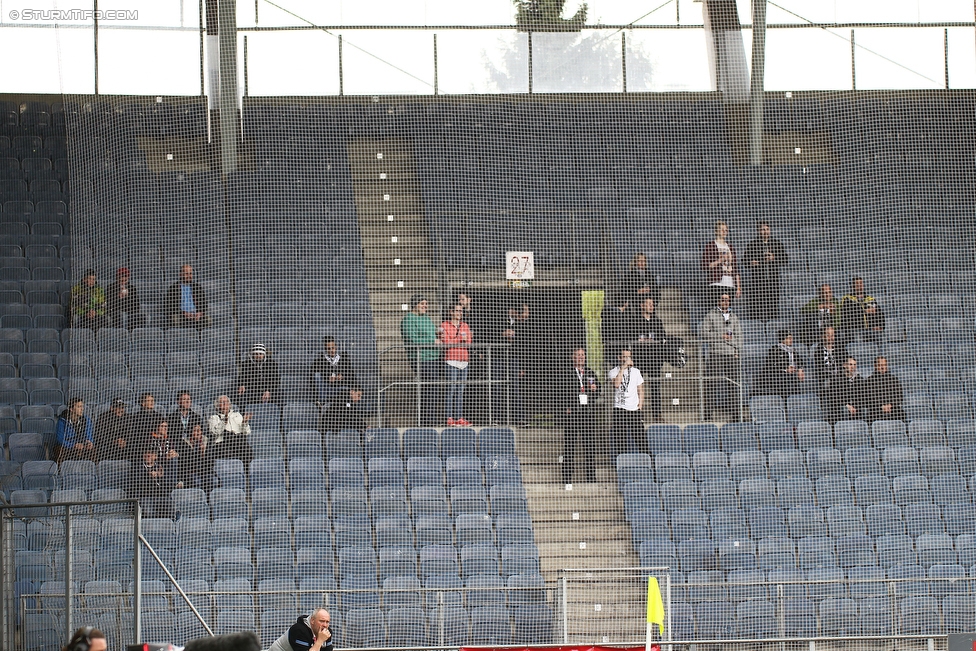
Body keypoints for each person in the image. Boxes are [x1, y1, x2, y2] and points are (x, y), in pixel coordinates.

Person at [560, 348, 601, 484]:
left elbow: (598, 389)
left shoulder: (589, 372)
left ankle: (591, 478)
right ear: (572, 357)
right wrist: (565, 407)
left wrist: (596, 389)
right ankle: (567, 479)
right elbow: (560, 391)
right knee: (569, 447)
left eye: (582, 355)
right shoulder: (566, 373)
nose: (581, 357)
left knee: (589, 446)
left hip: (587, 414)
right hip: (572, 414)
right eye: (578, 355)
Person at [700, 293, 744, 420]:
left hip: (731, 355)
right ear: (718, 301)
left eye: (728, 300)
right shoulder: (710, 315)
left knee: (733, 385)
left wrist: (731, 343)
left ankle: (735, 416)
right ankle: (708, 416)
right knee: (711, 384)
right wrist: (721, 336)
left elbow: (739, 338)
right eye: (723, 300)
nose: (725, 302)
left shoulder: (734, 317)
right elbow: (704, 333)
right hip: (716, 354)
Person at [400, 294, 441, 426]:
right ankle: (424, 421)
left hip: (434, 357)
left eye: (426, 303)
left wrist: (438, 333)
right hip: (421, 358)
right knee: (427, 389)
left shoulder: (427, 318)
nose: (425, 306)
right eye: (422, 303)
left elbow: (433, 333)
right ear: (415, 304)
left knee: (433, 389)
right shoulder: (408, 319)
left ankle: (432, 420)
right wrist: (432, 340)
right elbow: (412, 339)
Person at [493, 302, 530, 426]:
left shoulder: (523, 325)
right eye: (524, 312)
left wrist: (523, 366)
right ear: (514, 311)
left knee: (515, 388)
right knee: (496, 388)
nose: (526, 316)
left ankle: (519, 418)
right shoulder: (498, 318)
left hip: (514, 359)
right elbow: (488, 334)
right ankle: (496, 418)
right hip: (498, 358)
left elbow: (525, 346)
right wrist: (502, 334)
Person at [631, 297, 667, 423]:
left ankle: (657, 414)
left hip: (654, 359)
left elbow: (663, 338)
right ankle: (638, 413)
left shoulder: (657, 321)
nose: (652, 306)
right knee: (638, 388)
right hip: (640, 359)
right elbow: (632, 338)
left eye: (653, 304)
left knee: (655, 387)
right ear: (642, 305)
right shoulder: (635, 321)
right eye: (649, 304)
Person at [744, 220, 788, 322]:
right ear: (758, 231)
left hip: (773, 280)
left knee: (772, 303)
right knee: (757, 303)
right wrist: (752, 262)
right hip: (758, 281)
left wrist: (774, 258)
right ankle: (756, 324)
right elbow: (745, 261)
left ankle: (772, 323)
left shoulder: (776, 243)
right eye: (763, 229)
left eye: (767, 229)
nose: (765, 231)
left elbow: (785, 259)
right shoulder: (752, 244)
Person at [607, 348, 645, 456]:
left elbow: (640, 389)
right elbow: (616, 384)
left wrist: (640, 405)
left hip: (634, 409)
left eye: (629, 357)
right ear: (619, 358)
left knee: (641, 440)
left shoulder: (636, 371)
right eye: (625, 356)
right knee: (620, 441)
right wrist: (623, 368)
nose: (627, 359)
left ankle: (648, 464)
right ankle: (622, 466)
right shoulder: (613, 371)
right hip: (620, 409)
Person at [441, 303, 473, 427]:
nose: (460, 313)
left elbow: (469, 341)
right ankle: (449, 418)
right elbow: (445, 341)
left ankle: (459, 417)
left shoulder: (465, 325)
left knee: (460, 391)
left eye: (461, 311)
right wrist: (459, 339)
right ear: (451, 312)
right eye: (457, 311)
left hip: (464, 361)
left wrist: (459, 340)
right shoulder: (444, 325)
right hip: (451, 360)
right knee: (451, 389)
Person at [755, 330, 806, 400]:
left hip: (792, 374)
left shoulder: (793, 350)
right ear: (783, 339)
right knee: (786, 381)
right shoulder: (775, 349)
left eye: (791, 338)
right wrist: (785, 369)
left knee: (795, 380)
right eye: (788, 338)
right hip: (778, 376)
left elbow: (800, 361)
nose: (791, 340)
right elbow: (770, 365)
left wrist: (800, 369)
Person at [128, 444, 175, 518]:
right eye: (146, 453)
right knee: (148, 512)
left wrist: (161, 477)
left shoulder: (161, 466)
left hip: (161, 495)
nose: (148, 454)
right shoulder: (137, 467)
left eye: (151, 453)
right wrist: (148, 477)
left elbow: (170, 483)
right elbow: (136, 483)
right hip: (145, 496)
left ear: (156, 456)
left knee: (169, 506)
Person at [310, 336, 357, 408]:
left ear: (336, 347)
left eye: (333, 348)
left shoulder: (344, 358)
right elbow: (313, 371)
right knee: (317, 375)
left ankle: (348, 406)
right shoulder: (320, 360)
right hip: (327, 389)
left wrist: (343, 376)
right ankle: (321, 403)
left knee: (348, 387)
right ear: (325, 349)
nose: (332, 350)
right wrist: (326, 377)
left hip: (341, 387)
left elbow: (351, 374)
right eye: (329, 349)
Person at [701, 221, 741, 305]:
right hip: (716, 282)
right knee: (716, 307)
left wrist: (738, 287)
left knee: (728, 309)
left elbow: (736, 268)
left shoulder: (730, 247)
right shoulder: (710, 246)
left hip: (730, 283)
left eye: (726, 230)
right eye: (722, 230)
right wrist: (720, 260)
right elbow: (704, 266)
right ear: (716, 231)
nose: (724, 232)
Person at [840, 277, 885, 346]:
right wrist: (864, 311)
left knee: (879, 336)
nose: (859, 285)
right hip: (854, 330)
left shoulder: (870, 299)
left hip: (870, 330)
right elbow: (848, 313)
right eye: (857, 283)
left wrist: (880, 325)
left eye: (861, 283)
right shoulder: (847, 298)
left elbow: (879, 312)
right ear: (852, 286)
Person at [208, 395, 252, 463]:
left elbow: (247, 432)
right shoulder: (214, 418)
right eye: (222, 402)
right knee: (229, 434)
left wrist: (244, 422)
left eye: (227, 402)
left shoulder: (237, 415)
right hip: (222, 445)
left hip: (239, 443)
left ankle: (247, 471)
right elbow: (215, 433)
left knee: (246, 448)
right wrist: (223, 422)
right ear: (217, 405)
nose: (225, 404)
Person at [164, 263, 209, 329]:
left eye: (190, 273)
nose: (189, 276)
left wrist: (199, 313)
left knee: (208, 320)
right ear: (180, 274)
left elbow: (204, 304)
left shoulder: (197, 287)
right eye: (186, 274)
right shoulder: (173, 288)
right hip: (181, 315)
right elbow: (168, 306)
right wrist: (184, 313)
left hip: (196, 315)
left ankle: (201, 338)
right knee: (175, 319)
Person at [267, 607, 333, 651]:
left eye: (327, 622)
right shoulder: (300, 630)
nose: (325, 625)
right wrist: (320, 640)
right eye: (321, 621)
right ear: (312, 620)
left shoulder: (327, 632)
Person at [864, 356, 906, 422]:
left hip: (892, 407)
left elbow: (899, 396)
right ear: (875, 366)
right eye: (880, 365)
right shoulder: (869, 381)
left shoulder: (893, 379)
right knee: (870, 415)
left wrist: (890, 405)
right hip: (876, 409)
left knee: (901, 414)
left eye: (884, 365)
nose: (882, 367)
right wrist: (880, 406)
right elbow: (867, 398)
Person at [54, 397, 95, 464]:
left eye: (82, 406)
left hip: (82, 445)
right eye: (79, 407)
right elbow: (60, 439)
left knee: (93, 451)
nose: (82, 409)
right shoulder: (62, 421)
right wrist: (73, 445)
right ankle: (60, 471)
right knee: (59, 450)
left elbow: (89, 434)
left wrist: (89, 442)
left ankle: (94, 471)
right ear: (71, 409)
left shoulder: (86, 420)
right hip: (68, 446)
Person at [175, 422, 215, 490]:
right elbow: (187, 462)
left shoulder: (207, 442)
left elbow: (211, 462)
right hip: (190, 472)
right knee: (196, 481)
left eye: (199, 430)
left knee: (213, 480)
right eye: (195, 431)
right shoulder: (185, 443)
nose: (198, 433)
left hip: (205, 471)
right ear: (191, 432)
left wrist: (203, 453)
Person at [810, 326, 841, 408]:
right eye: (828, 335)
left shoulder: (840, 349)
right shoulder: (818, 351)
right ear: (822, 336)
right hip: (826, 379)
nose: (831, 338)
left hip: (840, 378)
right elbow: (819, 370)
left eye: (832, 335)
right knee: (830, 384)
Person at [93, 397, 131, 462]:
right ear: (112, 408)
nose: (121, 410)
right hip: (108, 445)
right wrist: (114, 441)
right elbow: (99, 435)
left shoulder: (128, 418)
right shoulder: (103, 418)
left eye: (122, 408)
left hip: (124, 445)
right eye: (118, 408)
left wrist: (125, 441)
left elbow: (131, 433)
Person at [831, 357, 865, 423]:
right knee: (843, 410)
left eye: (854, 365)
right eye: (850, 364)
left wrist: (855, 406)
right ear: (844, 365)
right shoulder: (837, 380)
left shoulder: (860, 379)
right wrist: (848, 406)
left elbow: (862, 396)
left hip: (857, 407)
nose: (853, 367)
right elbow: (836, 396)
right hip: (842, 406)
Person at [602, 291, 631, 364]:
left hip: (609, 348)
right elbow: (623, 334)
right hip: (620, 350)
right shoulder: (621, 318)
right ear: (626, 303)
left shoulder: (607, 314)